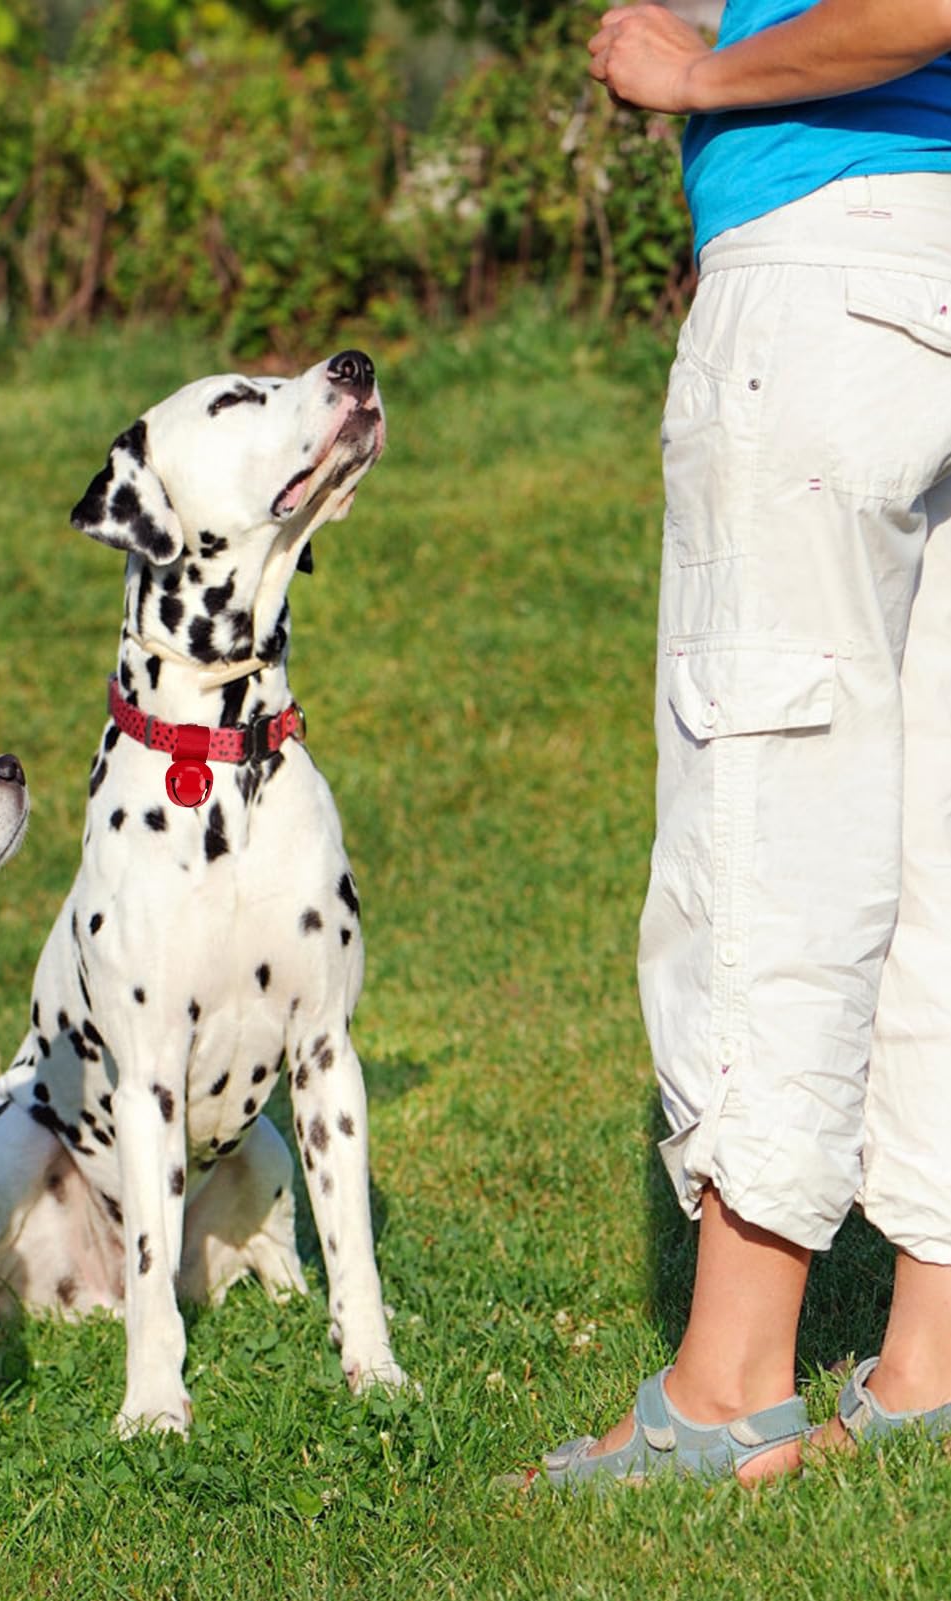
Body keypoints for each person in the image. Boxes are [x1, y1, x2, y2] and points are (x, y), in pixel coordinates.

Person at [541, 0, 951, 1484]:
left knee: (773, 823)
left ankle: (725, 1393)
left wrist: (699, 76)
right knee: (934, 842)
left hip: (825, 269)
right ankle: (927, 1360)